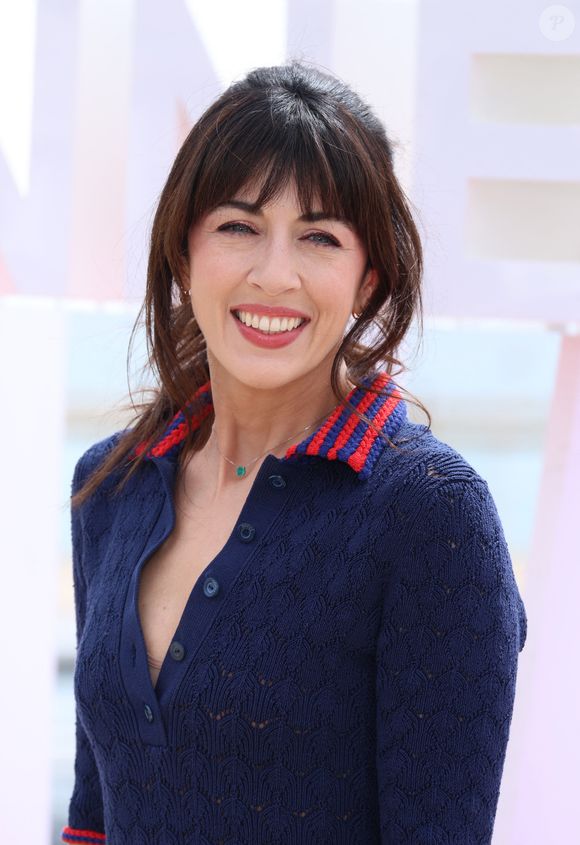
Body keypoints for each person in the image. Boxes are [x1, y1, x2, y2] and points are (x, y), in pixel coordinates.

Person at [61, 60, 527, 845]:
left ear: (368, 278)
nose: (275, 275)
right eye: (238, 225)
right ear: (184, 251)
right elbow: (93, 818)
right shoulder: (111, 486)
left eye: (319, 237)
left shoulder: (430, 512)